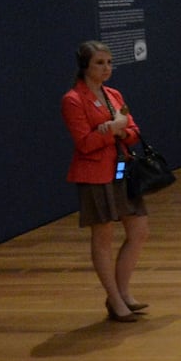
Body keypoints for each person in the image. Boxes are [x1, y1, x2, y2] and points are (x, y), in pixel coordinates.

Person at [60, 40, 151, 323]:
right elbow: (84, 143)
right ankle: (114, 299)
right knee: (103, 239)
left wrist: (118, 131)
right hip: (95, 175)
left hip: (121, 169)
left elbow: (133, 130)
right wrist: (114, 130)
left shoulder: (113, 94)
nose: (106, 68)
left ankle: (123, 292)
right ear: (85, 66)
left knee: (139, 230)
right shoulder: (73, 99)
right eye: (100, 63)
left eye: (109, 62)